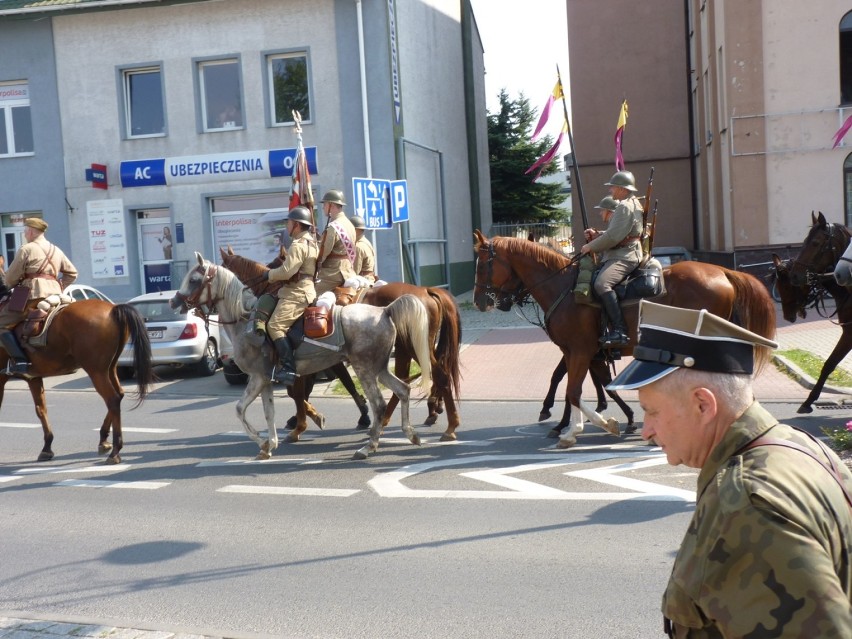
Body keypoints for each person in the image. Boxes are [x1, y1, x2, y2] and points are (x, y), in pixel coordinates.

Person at [607, 300, 852, 637]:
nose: (646, 430)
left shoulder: (745, 503)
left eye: (652, 412)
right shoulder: (800, 445)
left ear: (703, 404)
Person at [0, 218, 78, 375]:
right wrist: (58, 285)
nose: (24, 233)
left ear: (30, 231)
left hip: (32, 296)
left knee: (1, 323)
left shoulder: (26, 249)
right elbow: (72, 273)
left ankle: (20, 360)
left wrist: (16, 282)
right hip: (55, 296)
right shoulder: (56, 250)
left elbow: (9, 279)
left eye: (25, 230)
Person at [578, 170, 644, 347]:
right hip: (627, 251)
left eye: (613, 187)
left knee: (601, 284)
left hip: (625, 256)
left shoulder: (624, 206)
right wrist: (597, 234)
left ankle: (620, 331)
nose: (611, 191)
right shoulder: (633, 203)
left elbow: (614, 237)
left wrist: (590, 246)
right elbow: (621, 232)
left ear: (622, 189)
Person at [263, 206, 317, 385]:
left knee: (274, 326)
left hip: (297, 293)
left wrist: (268, 275)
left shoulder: (298, 245)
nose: (287, 225)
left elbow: (287, 272)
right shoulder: (311, 242)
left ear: (296, 225)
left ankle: (288, 368)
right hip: (305, 289)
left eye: (289, 222)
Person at [314, 189, 356, 296]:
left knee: (310, 294)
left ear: (331, 205)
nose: (323, 207)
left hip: (333, 273)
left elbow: (322, 254)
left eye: (325, 204)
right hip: (348, 270)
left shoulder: (334, 227)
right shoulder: (349, 224)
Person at [349, 214, 377, 284]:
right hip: (369, 278)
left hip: (363, 280)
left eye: (349, 229)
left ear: (356, 230)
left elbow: (355, 271)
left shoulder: (358, 246)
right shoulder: (366, 242)